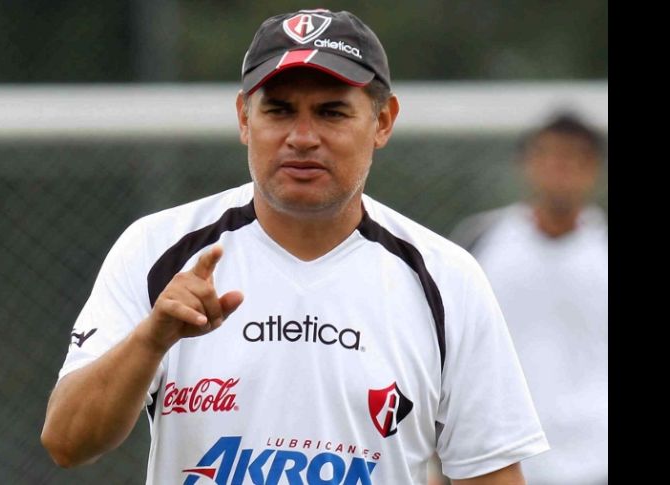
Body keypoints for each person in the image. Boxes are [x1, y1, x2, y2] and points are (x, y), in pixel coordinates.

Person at [41, 9, 549, 484]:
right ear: (244, 118)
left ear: (384, 121)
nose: (302, 137)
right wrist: (150, 341)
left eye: (331, 113)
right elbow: (67, 442)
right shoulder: (159, 249)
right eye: (279, 111)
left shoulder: (446, 276)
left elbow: (491, 471)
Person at [450, 113, 608, 484]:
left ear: (595, 168)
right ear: (526, 164)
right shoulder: (479, 239)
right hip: (499, 455)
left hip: (597, 456)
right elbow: (448, 347)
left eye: (574, 158)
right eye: (549, 155)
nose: (560, 167)